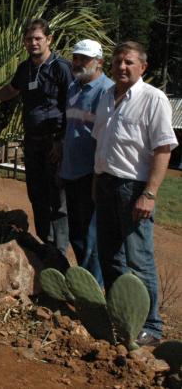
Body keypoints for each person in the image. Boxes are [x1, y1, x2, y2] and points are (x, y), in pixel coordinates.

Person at [92, 41, 178, 346]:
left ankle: (151, 327)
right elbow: (101, 142)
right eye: (117, 62)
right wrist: (96, 181)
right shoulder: (105, 96)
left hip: (133, 189)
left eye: (129, 62)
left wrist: (150, 194)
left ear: (143, 67)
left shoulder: (153, 99)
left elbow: (163, 149)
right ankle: (121, 317)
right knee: (110, 256)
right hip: (105, 184)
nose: (122, 67)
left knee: (138, 259)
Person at [0, 18, 73, 255]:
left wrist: (62, 141)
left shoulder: (61, 68)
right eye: (29, 39)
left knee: (58, 198)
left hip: (54, 141)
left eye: (38, 38)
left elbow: (72, 107)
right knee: (37, 193)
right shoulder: (25, 68)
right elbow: (9, 91)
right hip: (32, 141)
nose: (33, 43)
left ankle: (60, 251)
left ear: (49, 40)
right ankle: (46, 243)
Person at [59, 39, 113, 286]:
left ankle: (94, 289)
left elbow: (106, 136)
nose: (78, 62)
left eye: (85, 59)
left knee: (92, 238)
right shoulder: (73, 87)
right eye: (76, 57)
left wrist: (98, 173)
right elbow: (70, 127)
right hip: (70, 170)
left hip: (91, 174)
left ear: (99, 62)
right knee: (76, 233)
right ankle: (85, 284)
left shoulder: (107, 91)